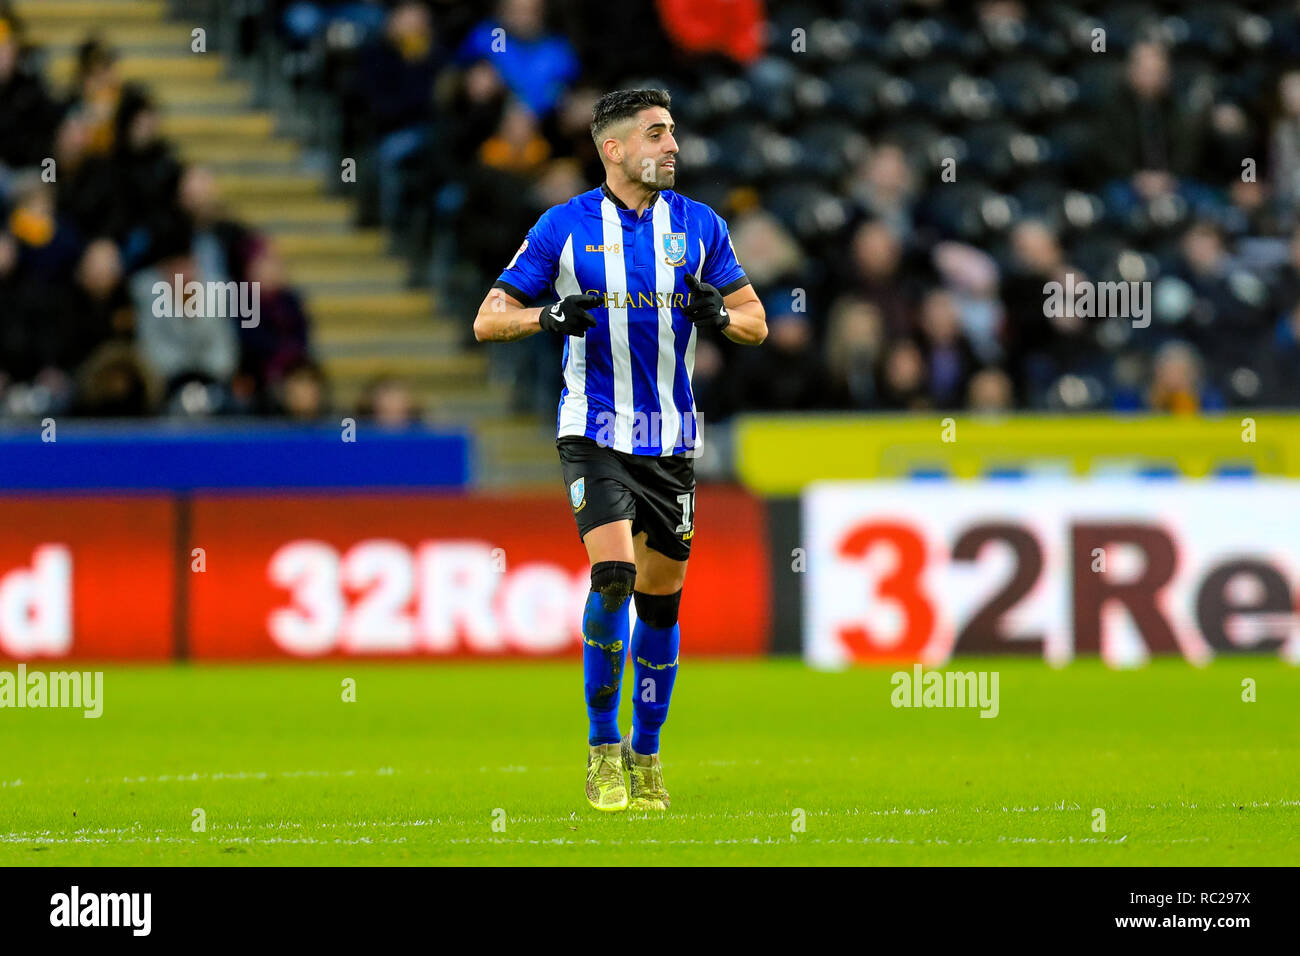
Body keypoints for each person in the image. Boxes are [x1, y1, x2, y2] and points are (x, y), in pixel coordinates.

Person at [472, 88, 767, 812]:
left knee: (660, 605)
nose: (672, 146)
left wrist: (721, 314)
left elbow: (756, 321)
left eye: (673, 133)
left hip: (670, 441)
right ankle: (602, 749)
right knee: (612, 575)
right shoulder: (562, 227)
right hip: (594, 431)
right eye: (657, 134)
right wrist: (549, 315)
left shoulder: (700, 226)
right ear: (614, 149)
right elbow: (489, 318)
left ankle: (646, 752)